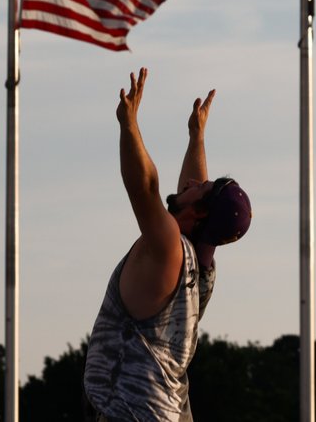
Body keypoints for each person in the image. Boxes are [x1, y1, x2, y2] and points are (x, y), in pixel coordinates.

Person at [83, 68, 253, 421]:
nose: (192, 181)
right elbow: (195, 189)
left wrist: (129, 125)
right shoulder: (201, 267)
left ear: (200, 212)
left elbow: (144, 188)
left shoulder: (167, 248)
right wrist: (196, 137)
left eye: (200, 189)